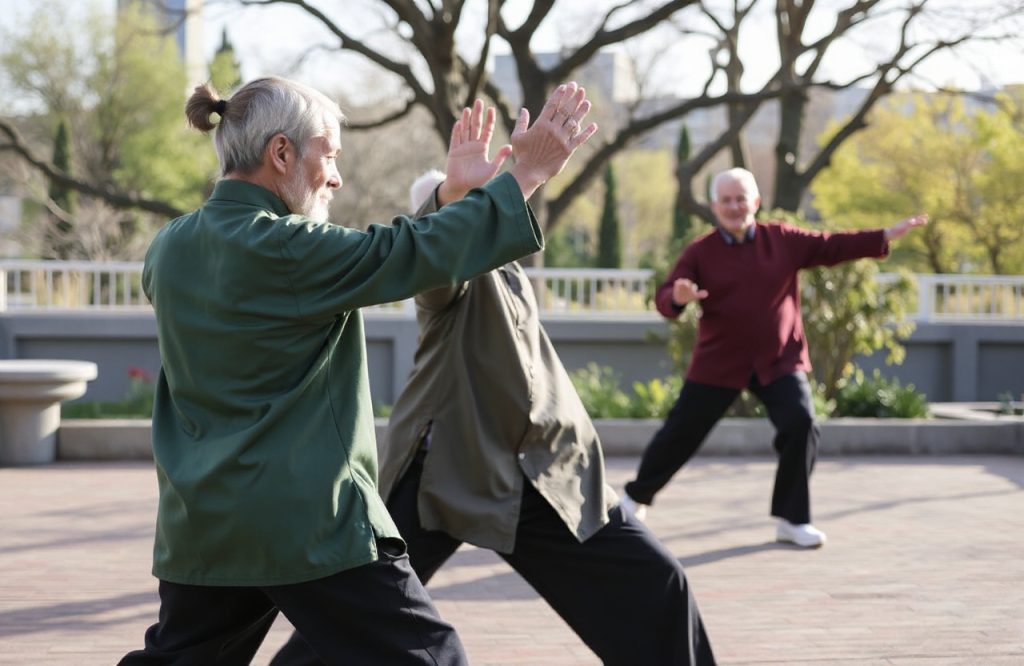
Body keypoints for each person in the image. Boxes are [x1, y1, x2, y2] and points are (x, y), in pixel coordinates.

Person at [120, 76, 597, 665]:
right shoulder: (287, 248)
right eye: (331, 154)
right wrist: (524, 176)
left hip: (204, 522)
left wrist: (453, 197)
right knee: (432, 659)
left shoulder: (168, 247)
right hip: (308, 521)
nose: (337, 177)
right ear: (281, 152)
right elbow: (407, 252)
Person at [271, 167, 716, 666]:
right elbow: (434, 272)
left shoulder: (505, 268)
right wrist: (446, 206)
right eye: (457, 209)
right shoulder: (444, 275)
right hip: (437, 472)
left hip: (533, 474)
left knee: (657, 586)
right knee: (353, 615)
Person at [620, 167, 928, 548]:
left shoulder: (780, 238)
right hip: (720, 361)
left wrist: (882, 236)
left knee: (801, 424)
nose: (734, 207)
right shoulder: (700, 252)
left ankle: (792, 519)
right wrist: (678, 298)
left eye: (741, 199)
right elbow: (666, 298)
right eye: (726, 201)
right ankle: (635, 498)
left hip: (779, 358)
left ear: (756, 202)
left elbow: (831, 245)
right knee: (680, 432)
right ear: (715, 207)